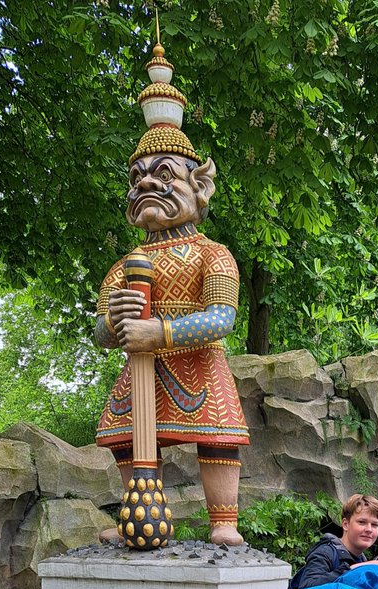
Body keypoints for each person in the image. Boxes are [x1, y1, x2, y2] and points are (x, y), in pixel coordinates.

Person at [93, 37, 249, 546]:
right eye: (136, 179)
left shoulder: (213, 253)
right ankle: (141, 515)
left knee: (218, 439)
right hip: (141, 366)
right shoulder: (125, 264)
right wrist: (115, 322)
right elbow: (100, 332)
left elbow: (222, 319)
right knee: (127, 440)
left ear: (199, 187)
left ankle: (223, 521)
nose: (145, 186)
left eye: (162, 174)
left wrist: (156, 330)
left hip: (197, 361)